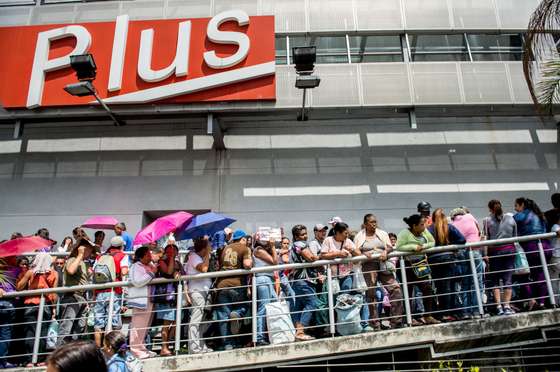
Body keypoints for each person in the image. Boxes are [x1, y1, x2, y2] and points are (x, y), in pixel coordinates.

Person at [354, 214, 403, 330]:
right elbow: (355, 250)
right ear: (365, 224)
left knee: (395, 289)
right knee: (372, 294)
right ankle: (375, 323)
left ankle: (396, 321)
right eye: (371, 222)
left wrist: (386, 251)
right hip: (369, 265)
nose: (374, 224)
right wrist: (363, 254)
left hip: (383, 264)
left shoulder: (382, 233)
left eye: (375, 221)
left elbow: (390, 246)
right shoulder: (359, 236)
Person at [321, 222, 370, 332]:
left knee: (345, 298)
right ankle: (335, 327)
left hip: (347, 274)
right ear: (337, 232)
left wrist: (352, 250)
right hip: (332, 277)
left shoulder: (348, 241)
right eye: (345, 233)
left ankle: (348, 325)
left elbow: (357, 253)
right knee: (333, 301)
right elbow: (322, 255)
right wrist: (337, 254)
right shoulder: (328, 240)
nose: (347, 235)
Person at [396, 214, 440, 326]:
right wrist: (414, 247)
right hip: (406, 266)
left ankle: (428, 315)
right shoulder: (404, 233)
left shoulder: (424, 232)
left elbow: (432, 242)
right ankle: (409, 318)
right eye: (421, 224)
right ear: (414, 226)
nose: (424, 226)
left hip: (421, 264)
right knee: (408, 292)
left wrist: (423, 247)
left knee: (427, 288)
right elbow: (399, 247)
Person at [16, 252, 58, 367]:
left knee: (30, 332)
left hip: (30, 304)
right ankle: (40, 360)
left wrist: (28, 276)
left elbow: (19, 287)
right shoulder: (54, 273)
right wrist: (54, 308)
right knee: (42, 333)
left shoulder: (30, 272)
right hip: (46, 306)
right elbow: (54, 295)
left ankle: (30, 360)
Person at [214, 229, 252, 350]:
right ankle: (238, 313)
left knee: (223, 316)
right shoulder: (245, 248)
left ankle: (228, 344)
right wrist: (251, 262)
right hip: (237, 284)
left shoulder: (225, 248)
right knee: (244, 305)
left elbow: (218, 265)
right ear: (243, 239)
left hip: (222, 285)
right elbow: (247, 265)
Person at [427, 208, 466, 322]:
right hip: (448, 260)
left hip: (433, 261)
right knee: (449, 287)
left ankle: (442, 313)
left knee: (439, 287)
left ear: (433, 219)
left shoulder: (428, 230)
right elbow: (462, 240)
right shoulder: (449, 227)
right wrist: (452, 247)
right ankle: (448, 312)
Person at [514, 197, 551, 310]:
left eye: (516, 206)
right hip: (546, 246)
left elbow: (508, 223)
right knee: (541, 274)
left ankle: (531, 301)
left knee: (523, 275)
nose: (515, 209)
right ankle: (542, 303)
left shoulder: (521, 215)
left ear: (522, 205)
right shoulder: (540, 215)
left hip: (531, 247)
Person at [482, 199, 518, 315]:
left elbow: (486, 238)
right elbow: (515, 235)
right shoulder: (510, 217)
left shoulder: (487, 220)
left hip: (495, 252)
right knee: (508, 279)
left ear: (490, 209)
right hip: (509, 251)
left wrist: (485, 254)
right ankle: (507, 306)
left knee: (495, 280)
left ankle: (498, 307)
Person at [58, 236, 94, 346]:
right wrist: (80, 254)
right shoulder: (73, 259)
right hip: (72, 296)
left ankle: (72, 352)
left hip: (81, 297)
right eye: (89, 249)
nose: (91, 252)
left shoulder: (83, 263)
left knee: (79, 328)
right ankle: (60, 352)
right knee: (66, 327)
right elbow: (71, 270)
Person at [93, 236, 129, 347]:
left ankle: (98, 350)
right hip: (114, 291)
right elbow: (124, 272)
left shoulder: (101, 256)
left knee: (99, 322)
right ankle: (110, 348)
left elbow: (93, 271)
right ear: (122, 245)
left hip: (100, 291)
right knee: (114, 321)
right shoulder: (123, 256)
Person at [289, 225, 319, 341]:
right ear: (296, 236)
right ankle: (300, 332)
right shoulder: (299, 244)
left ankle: (299, 333)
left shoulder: (294, 246)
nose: (305, 236)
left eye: (306, 233)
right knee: (312, 303)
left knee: (299, 306)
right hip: (304, 280)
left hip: (297, 280)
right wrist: (318, 256)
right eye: (302, 234)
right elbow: (311, 258)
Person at [128, 246, 157, 359]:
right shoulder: (136, 266)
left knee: (144, 327)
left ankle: (142, 349)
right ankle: (135, 351)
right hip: (140, 300)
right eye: (148, 254)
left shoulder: (148, 266)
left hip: (148, 300)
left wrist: (152, 270)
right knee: (138, 327)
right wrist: (151, 273)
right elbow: (137, 282)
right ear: (142, 256)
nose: (150, 256)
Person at [154, 242, 182, 356]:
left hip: (176, 296)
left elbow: (180, 274)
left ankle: (167, 345)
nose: (172, 252)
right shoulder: (161, 262)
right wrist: (170, 260)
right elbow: (169, 272)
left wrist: (178, 271)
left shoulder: (178, 263)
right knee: (166, 323)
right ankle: (164, 347)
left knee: (176, 322)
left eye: (174, 251)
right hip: (165, 297)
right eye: (170, 250)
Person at [185, 237, 213, 354]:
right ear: (204, 248)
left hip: (203, 291)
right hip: (197, 292)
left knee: (202, 321)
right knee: (196, 320)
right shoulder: (194, 257)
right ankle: (194, 347)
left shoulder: (198, 257)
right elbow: (204, 269)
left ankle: (201, 345)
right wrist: (207, 254)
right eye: (208, 247)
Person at [253, 237, 278, 346]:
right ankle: (259, 337)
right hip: (263, 279)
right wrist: (272, 246)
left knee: (274, 304)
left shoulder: (262, 250)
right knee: (263, 308)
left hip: (267, 279)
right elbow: (275, 262)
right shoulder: (258, 250)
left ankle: (270, 334)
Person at [0, 254, 21, 369]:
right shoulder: (15, 270)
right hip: (7, 304)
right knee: (5, 334)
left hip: (6, 304)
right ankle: (2, 362)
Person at [549, 214, 560, 302]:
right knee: (554, 280)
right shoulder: (555, 226)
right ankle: (555, 301)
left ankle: (555, 301)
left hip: (556, 256)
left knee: (554, 279)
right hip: (556, 256)